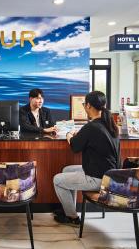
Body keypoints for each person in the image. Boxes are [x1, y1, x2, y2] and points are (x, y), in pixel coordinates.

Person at [53, 90, 120, 225]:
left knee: (57, 179)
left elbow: (75, 147)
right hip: (110, 174)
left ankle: (72, 218)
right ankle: (69, 209)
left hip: (98, 179)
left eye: (84, 104)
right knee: (67, 170)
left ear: (88, 106)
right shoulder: (109, 125)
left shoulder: (92, 127)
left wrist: (69, 135)